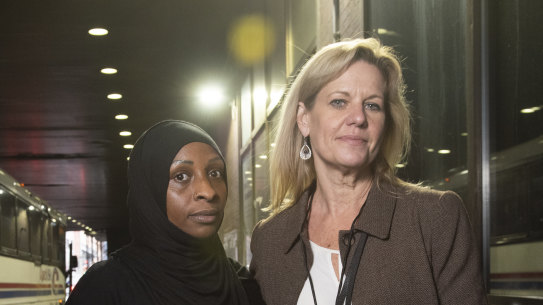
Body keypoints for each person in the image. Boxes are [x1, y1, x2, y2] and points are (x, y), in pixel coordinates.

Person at [249, 38, 487, 305]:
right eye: (339, 102)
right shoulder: (269, 239)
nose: (359, 117)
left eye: (372, 105)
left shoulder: (435, 218)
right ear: (304, 119)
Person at [66, 120, 251, 305]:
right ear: (150, 194)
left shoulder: (244, 283)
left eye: (215, 173)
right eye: (181, 176)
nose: (208, 192)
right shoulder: (104, 288)